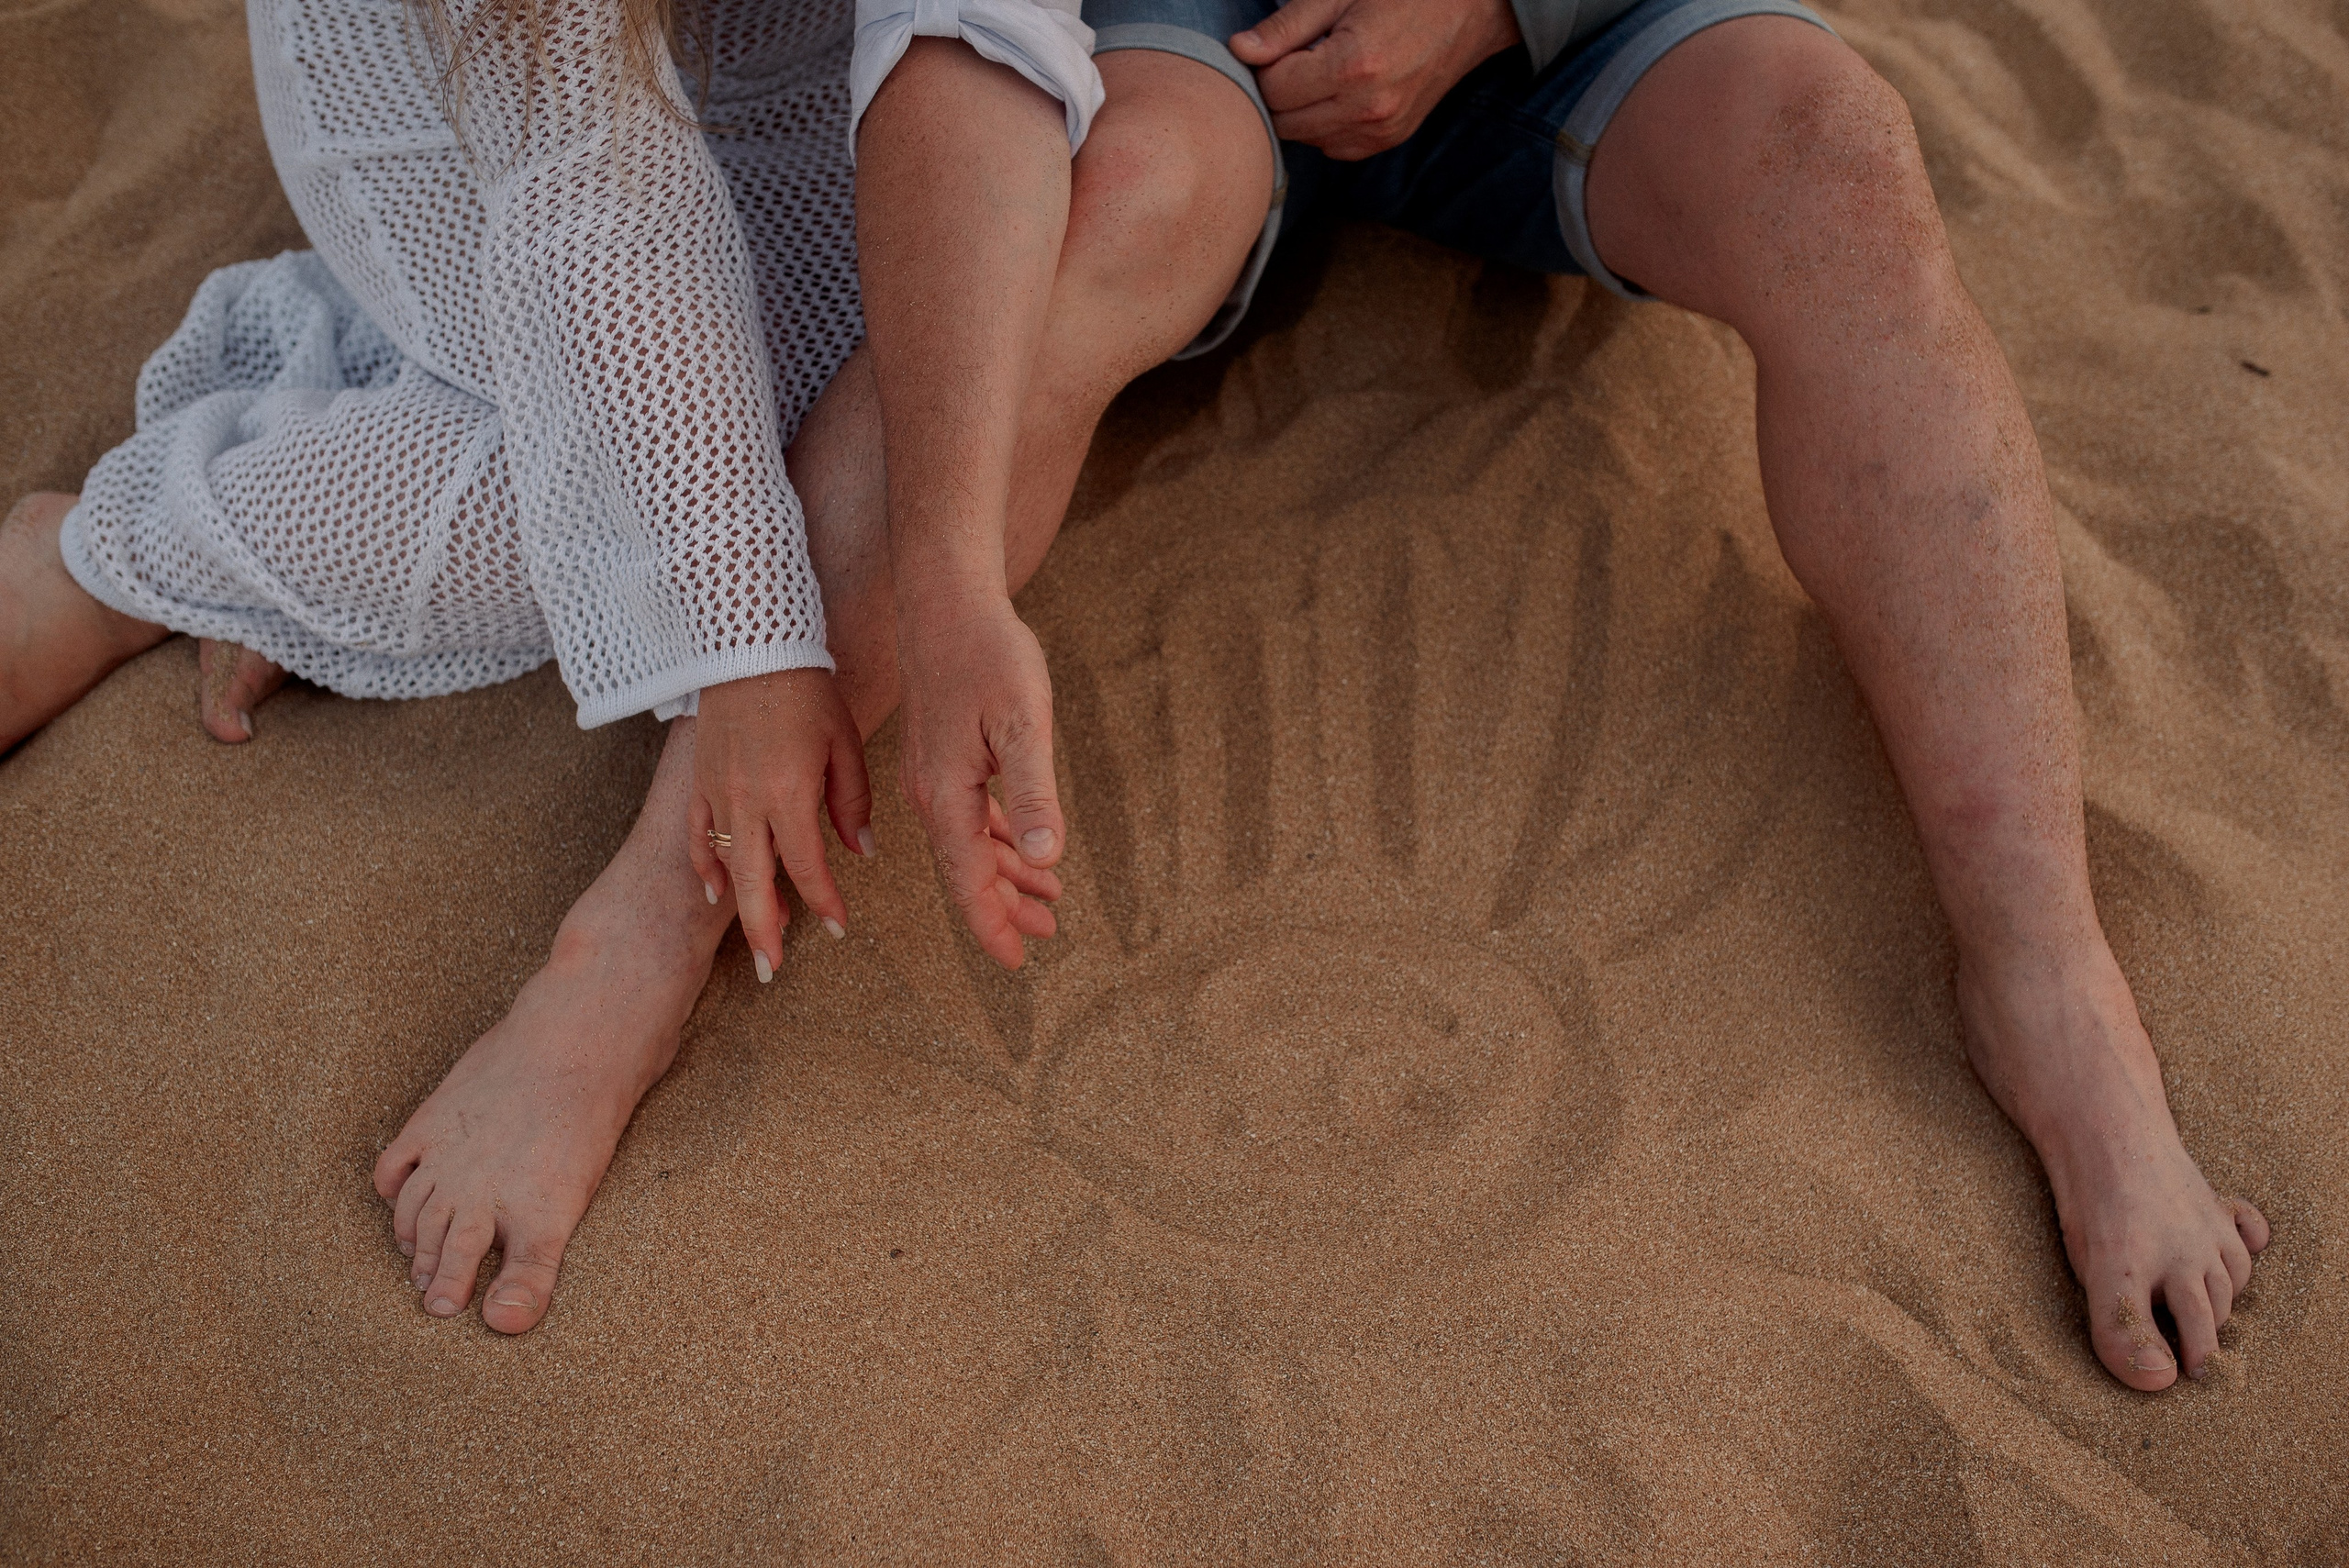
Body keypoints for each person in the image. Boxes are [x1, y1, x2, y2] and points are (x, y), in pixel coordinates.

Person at [841, 0, 2271, 1391]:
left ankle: (2050, 977)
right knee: (1078, 237)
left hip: (1584, 33)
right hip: (1184, 35)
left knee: (1839, 156)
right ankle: (691, 865)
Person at [0, 0, 1072, 1334]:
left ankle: (296, 497)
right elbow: (590, 183)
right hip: (473, 91)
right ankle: (115, 550)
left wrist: (928, 572)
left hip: (782, 73)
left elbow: (978, 23)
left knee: (906, 367)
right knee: (598, 501)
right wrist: (746, 649)